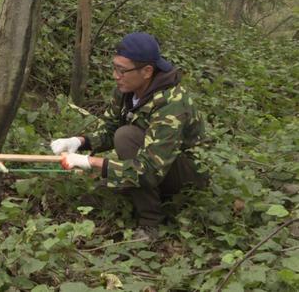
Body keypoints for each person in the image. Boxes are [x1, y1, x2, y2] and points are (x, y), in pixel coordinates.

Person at [51, 32, 207, 241]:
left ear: (147, 71)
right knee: (92, 198)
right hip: (151, 163)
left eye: (122, 70)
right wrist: (78, 142)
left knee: (126, 137)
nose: (116, 75)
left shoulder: (171, 103)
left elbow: (150, 169)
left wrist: (91, 162)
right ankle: (133, 195)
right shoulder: (126, 90)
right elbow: (110, 129)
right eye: (114, 68)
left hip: (186, 173)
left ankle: (150, 224)